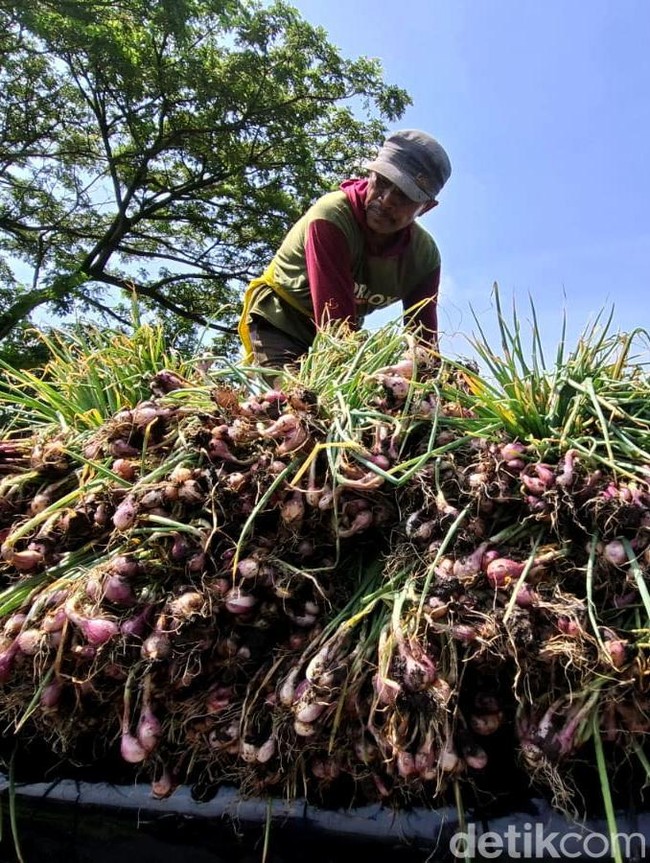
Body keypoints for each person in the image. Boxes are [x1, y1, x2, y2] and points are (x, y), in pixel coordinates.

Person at [238, 129, 452, 370]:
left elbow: (424, 342)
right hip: (282, 320)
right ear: (370, 174)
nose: (386, 199)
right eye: (381, 182)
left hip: (343, 334)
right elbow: (336, 325)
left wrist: (423, 376)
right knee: (292, 400)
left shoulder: (424, 258)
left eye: (404, 196)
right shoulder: (331, 217)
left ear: (426, 207)